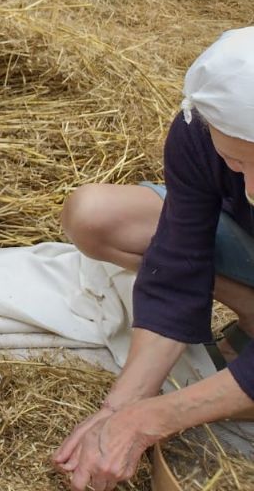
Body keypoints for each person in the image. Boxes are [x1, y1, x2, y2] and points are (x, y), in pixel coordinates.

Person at [54, 28, 254, 491]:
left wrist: (152, 420)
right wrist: (118, 409)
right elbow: (177, 267)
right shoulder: (199, 129)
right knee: (95, 215)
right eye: (237, 162)